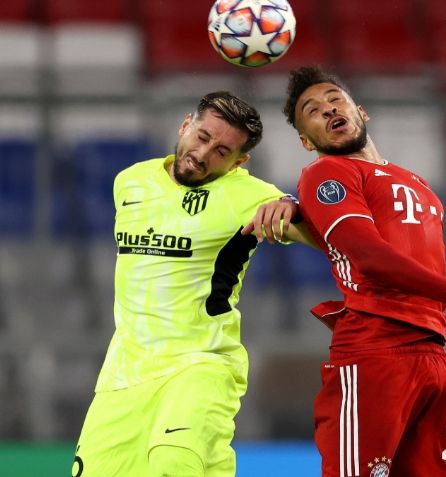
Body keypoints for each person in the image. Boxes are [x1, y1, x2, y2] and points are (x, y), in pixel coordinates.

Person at [278, 65, 446, 477]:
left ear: (360, 111)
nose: (327, 109)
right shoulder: (327, 173)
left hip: (433, 353)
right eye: (312, 110)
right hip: (376, 350)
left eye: (334, 99)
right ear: (306, 141)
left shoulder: (416, 181)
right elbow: (372, 258)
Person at [71, 91, 310, 477]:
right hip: (124, 374)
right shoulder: (130, 182)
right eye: (202, 137)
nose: (202, 154)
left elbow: (324, 235)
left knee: (175, 462)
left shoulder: (250, 196)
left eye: (221, 151)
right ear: (186, 124)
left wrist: (294, 208)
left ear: (239, 162)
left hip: (201, 363)